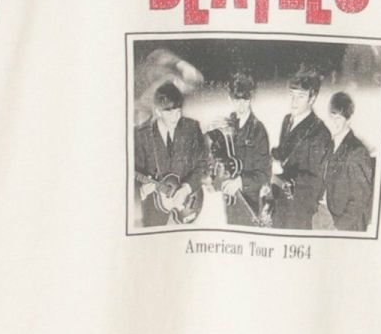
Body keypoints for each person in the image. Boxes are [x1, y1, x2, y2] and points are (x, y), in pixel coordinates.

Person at [134, 82, 207, 226]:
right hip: (154, 214)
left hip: (187, 207)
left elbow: (203, 165)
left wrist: (187, 188)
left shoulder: (191, 128)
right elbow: (129, 177)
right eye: (169, 113)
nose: (175, 118)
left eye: (178, 111)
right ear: (158, 111)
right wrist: (141, 191)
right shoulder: (141, 136)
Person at [268, 67, 332, 231]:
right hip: (280, 199)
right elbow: (285, 153)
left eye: (301, 96)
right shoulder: (288, 120)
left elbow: (316, 182)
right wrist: (270, 156)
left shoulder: (320, 133)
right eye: (292, 95)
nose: (294, 102)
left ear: (312, 98)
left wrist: (284, 178)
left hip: (300, 210)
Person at [216, 73, 271, 227]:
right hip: (231, 201)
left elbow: (264, 175)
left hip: (250, 204)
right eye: (236, 100)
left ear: (251, 98)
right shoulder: (228, 125)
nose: (240, 106)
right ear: (230, 99)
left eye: (245, 100)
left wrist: (240, 182)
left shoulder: (258, 130)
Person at [323, 91, 376, 231]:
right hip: (329, 215)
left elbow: (359, 200)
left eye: (338, 118)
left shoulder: (357, 151)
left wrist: (338, 228)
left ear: (349, 119)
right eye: (331, 117)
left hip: (347, 226)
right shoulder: (331, 144)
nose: (333, 122)